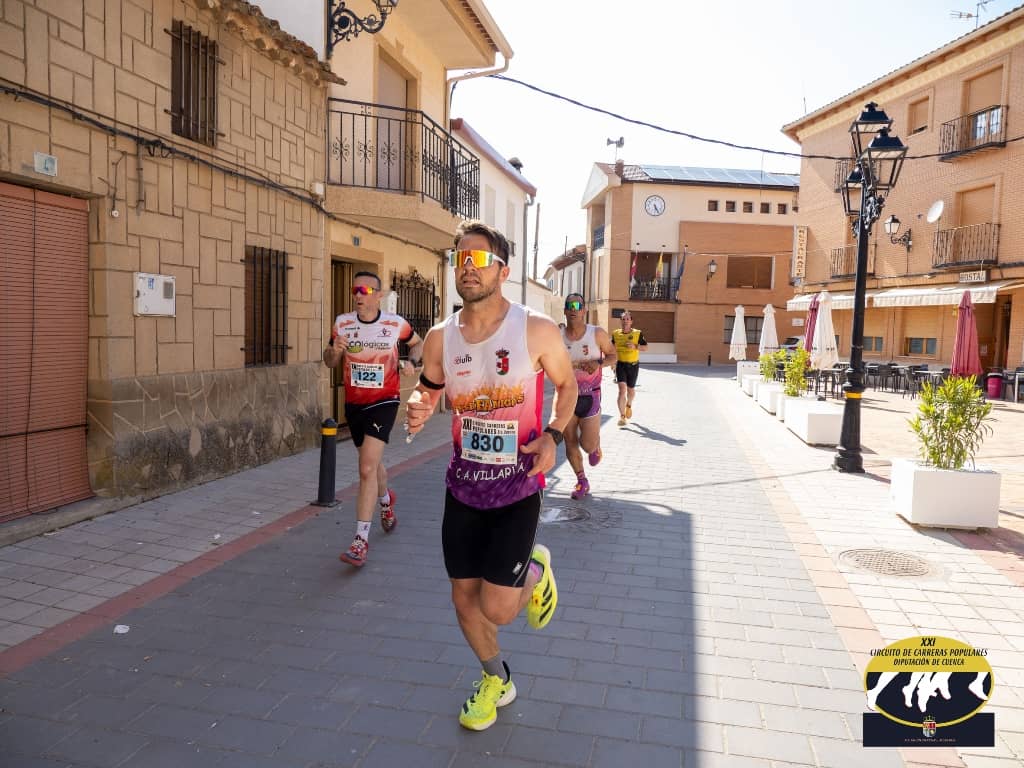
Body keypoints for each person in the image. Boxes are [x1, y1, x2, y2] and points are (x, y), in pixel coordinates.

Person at [405, 220, 577, 731]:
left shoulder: (535, 330)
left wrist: (553, 435)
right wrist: (418, 405)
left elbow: (567, 386)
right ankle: (496, 678)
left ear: (502, 270)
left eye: (479, 259)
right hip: (462, 488)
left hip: (518, 486)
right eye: (460, 258)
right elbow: (429, 388)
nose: (468, 267)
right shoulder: (440, 337)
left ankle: (536, 571)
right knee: (464, 600)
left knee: (498, 609)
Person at [323, 271, 422, 567]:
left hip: (384, 401)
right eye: (355, 289)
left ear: (379, 295)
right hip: (354, 404)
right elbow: (329, 361)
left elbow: (418, 344)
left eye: (365, 290)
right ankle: (386, 502)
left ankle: (360, 541)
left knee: (366, 467)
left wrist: (411, 361)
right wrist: (334, 351)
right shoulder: (343, 323)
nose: (358, 294)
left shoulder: (394, 324)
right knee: (373, 464)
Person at [560, 293, 616, 500]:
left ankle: (595, 446)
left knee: (587, 445)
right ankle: (581, 480)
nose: (573, 309)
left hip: (590, 397)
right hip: (566, 397)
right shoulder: (557, 335)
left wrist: (598, 363)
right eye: (570, 306)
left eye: (578, 306)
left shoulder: (596, 334)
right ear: (565, 311)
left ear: (584, 310)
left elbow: (613, 355)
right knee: (569, 441)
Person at [611, 311, 648, 426]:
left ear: (631, 321)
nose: (625, 321)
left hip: (633, 365)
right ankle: (622, 417)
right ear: (620, 321)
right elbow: (612, 348)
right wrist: (612, 362)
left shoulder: (638, 333)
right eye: (623, 319)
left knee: (630, 390)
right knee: (622, 390)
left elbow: (646, 347)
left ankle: (629, 405)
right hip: (621, 365)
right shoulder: (615, 334)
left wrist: (635, 346)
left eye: (628, 319)